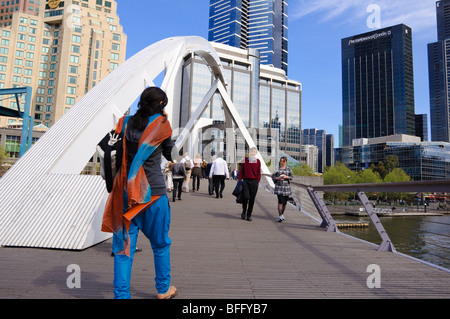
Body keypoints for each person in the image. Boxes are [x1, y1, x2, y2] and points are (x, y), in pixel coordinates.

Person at [101, 87, 177, 299]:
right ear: (161, 105)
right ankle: (163, 290)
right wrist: (163, 121)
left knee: (123, 251)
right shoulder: (162, 124)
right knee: (161, 244)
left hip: (124, 195)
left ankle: (122, 295)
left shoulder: (124, 123)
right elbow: (170, 154)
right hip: (152, 194)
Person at [238, 147, 261, 221]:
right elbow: (241, 171)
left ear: (256, 153)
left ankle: (249, 214)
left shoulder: (258, 161)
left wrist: (257, 181)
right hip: (246, 181)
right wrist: (239, 179)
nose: (253, 152)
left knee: (252, 199)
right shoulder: (245, 160)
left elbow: (259, 173)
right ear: (249, 152)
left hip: (254, 182)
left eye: (254, 151)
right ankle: (244, 211)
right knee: (245, 197)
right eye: (251, 151)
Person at [271, 156, 293, 222]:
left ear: (286, 162)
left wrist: (287, 177)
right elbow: (273, 177)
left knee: (284, 203)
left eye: (283, 161)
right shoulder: (277, 169)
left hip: (286, 188)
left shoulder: (288, 169)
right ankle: (280, 215)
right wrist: (278, 178)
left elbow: (291, 177)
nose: (282, 162)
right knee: (280, 202)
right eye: (281, 161)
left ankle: (282, 214)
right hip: (279, 187)